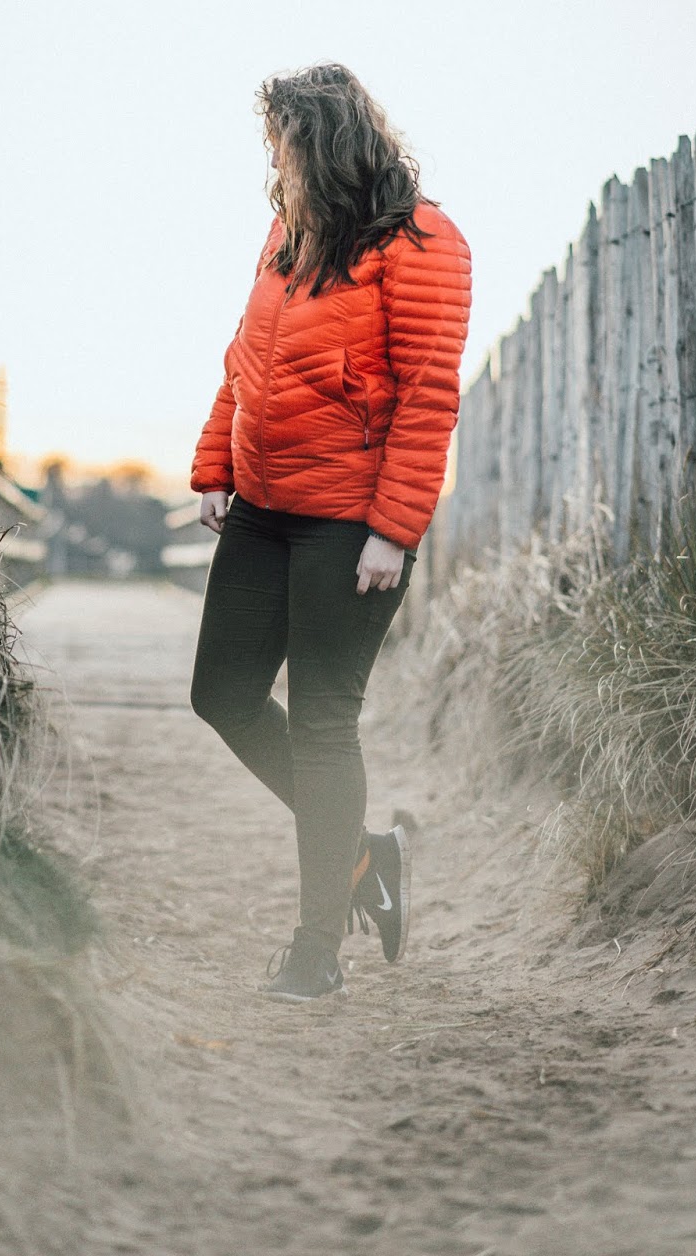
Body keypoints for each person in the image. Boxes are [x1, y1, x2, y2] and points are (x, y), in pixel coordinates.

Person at [189, 63, 471, 1002]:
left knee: (320, 720)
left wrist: (393, 531)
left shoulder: (425, 243)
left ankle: (317, 951)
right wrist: (213, 464)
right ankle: (364, 857)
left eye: (283, 142)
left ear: (326, 142)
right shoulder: (287, 234)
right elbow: (245, 356)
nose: (273, 160)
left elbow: (429, 398)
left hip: (349, 526)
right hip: (263, 511)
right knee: (221, 692)